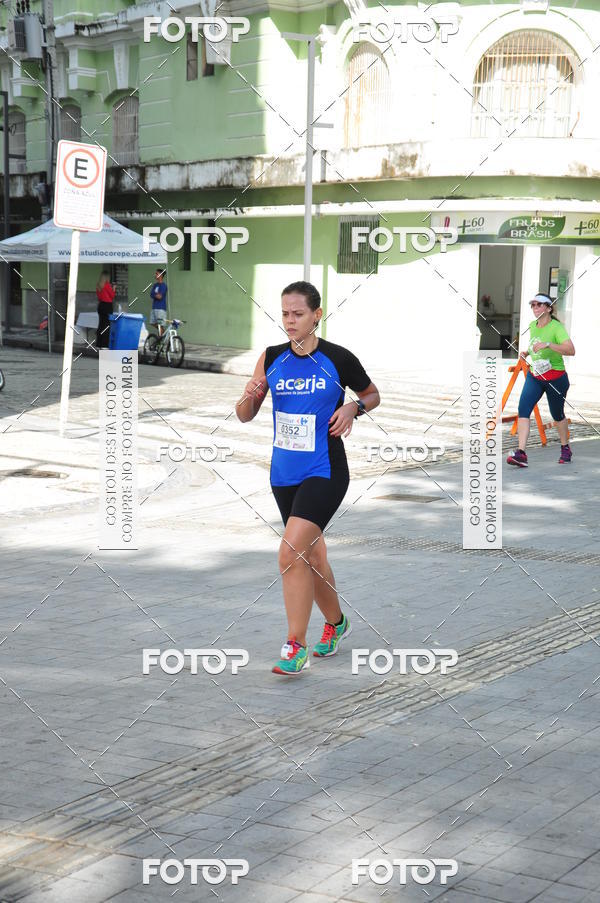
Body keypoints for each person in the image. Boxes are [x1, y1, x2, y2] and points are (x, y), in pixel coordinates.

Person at [235, 280, 380, 675]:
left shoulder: (337, 358)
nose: (290, 321)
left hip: (325, 469)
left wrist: (353, 408)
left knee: (290, 552)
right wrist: (249, 394)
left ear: (317, 314)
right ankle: (336, 624)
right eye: (284, 313)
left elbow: (372, 394)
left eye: (298, 313)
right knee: (312, 556)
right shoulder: (271, 358)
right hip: (283, 472)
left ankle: (295, 645)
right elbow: (245, 414)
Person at [507, 292, 575, 468]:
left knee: (557, 414)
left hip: (555, 378)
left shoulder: (556, 328)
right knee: (523, 409)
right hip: (536, 376)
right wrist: (528, 352)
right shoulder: (533, 325)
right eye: (533, 305)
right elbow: (535, 343)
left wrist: (549, 345)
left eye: (539, 305)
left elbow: (570, 350)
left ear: (549, 308)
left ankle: (565, 447)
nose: (535, 308)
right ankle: (521, 453)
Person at [96, 271, 115, 349]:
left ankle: (99, 343)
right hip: (107, 306)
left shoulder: (98, 285)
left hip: (101, 305)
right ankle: (104, 344)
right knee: (107, 325)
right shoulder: (107, 285)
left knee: (101, 324)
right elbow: (112, 296)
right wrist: (113, 288)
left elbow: (99, 296)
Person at [150, 269, 168, 337]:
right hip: (154, 307)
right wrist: (156, 295)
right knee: (152, 322)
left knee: (160, 325)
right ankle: (163, 334)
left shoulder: (163, 286)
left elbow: (160, 297)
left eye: (157, 274)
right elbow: (151, 294)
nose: (155, 275)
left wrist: (155, 294)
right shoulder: (155, 285)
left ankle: (161, 340)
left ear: (161, 275)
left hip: (161, 308)